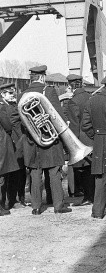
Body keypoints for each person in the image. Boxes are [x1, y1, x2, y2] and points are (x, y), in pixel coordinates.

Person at [19, 65, 71, 214]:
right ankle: (58, 206)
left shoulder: (22, 94)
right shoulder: (48, 91)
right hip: (50, 140)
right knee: (54, 172)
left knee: (35, 173)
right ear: (42, 77)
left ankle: (35, 207)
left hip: (31, 141)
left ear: (32, 78)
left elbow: (19, 120)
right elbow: (57, 115)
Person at [81, 69, 106, 219]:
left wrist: (97, 137)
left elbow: (85, 125)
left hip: (99, 142)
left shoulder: (92, 100)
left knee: (100, 177)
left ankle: (97, 212)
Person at [65, 74, 95, 206]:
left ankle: (88, 196)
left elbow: (74, 125)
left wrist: (72, 143)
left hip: (81, 139)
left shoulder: (73, 101)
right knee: (91, 169)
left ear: (70, 86)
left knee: (83, 170)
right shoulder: (90, 96)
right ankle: (93, 195)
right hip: (91, 137)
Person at [0, 82, 27, 210]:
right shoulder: (6, 108)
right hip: (12, 142)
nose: (12, 95)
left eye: (13, 93)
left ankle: (19, 198)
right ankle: (12, 200)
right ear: (2, 94)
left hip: (17, 141)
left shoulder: (11, 106)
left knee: (19, 172)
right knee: (13, 173)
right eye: (10, 93)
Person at [0, 82, 20, 215]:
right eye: (9, 92)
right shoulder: (1, 108)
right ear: (2, 94)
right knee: (1, 176)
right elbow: (7, 126)